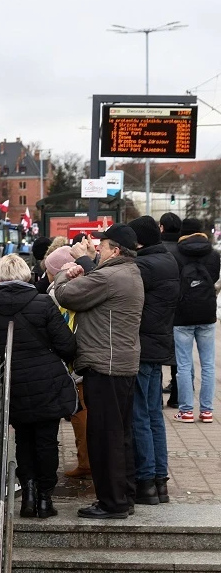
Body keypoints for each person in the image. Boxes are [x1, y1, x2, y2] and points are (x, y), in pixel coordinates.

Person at [0, 254, 78, 519]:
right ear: (26, 276)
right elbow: (67, 345)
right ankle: (45, 499)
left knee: (23, 439)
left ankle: (28, 496)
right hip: (47, 382)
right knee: (46, 441)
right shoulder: (43, 303)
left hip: (15, 383)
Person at [54, 224, 144, 519]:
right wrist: (88, 265)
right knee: (121, 435)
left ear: (115, 251)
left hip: (105, 367)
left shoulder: (109, 276)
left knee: (104, 436)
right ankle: (124, 497)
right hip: (120, 365)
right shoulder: (128, 272)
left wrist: (64, 273)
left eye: (101, 247)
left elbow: (66, 296)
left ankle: (112, 503)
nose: (96, 250)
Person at [128, 216, 179, 505]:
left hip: (142, 346)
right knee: (154, 415)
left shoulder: (143, 266)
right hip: (159, 345)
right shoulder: (168, 260)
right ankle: (160, 481)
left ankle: (145, 481)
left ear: (138, 241)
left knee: (139, 417)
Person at [44, 246, 91, 479]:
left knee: (80, 414)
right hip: (85, 358)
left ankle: (86, 462)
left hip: (73, 362)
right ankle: (87, 459)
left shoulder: (57, 293)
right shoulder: (85, 286)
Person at [172, 217, 220, 425]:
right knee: (208, 364)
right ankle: (207, 411)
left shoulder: (175, 253)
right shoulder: (215, 255)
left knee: (183, 364)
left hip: (181, 314)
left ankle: (186, 411)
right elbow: (215, 278)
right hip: (207, 312)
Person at [160, 211, 183, 407]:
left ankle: (154, 398)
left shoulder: (158, 250)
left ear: (161, 228)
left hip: (159, 309)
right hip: (182, 309)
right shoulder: (184, 249)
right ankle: (177, 396)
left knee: (154, 354)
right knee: (180, 356)